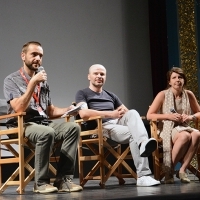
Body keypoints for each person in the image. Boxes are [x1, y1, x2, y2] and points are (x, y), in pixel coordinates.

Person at [3, 41, 83, 193]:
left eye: (40, 56)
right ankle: (40, 183)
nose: (38, 58)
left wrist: (69, 109)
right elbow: (19, 108)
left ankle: (63, 180)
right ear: (23, 56)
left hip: (43, 123)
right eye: (34, 54)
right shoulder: (11, 80)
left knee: (73, 127)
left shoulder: (43, 83)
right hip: (21, 124)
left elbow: (49, 111)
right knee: (47, 133)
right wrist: (32, 82)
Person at [75, 64, 161, 187]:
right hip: (100, 127)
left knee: (133, 112)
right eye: (96, 73)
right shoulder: (82, 93)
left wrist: (122, 114)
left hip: (117, 125)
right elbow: (83, 113)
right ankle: (143, 176)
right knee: (133, 134)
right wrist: (111, 114)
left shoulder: (111, 95)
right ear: (89, 76)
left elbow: (125, 111)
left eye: (102, 74)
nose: (99, 76)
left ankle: (143, 143)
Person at [147, 67, 200, 184]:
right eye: (174, 78)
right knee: (185, 136)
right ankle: (168, 171)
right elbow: (149, 115)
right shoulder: (163, 94)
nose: (177, 80)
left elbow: (198, 112)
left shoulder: (189, 94)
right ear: (169, 82)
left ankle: (182, 170)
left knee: (196, 134)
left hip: (183, 126)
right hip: (166, 128)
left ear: (184, 80)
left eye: (180, 77)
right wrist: (168, 116)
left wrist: (191, 117)